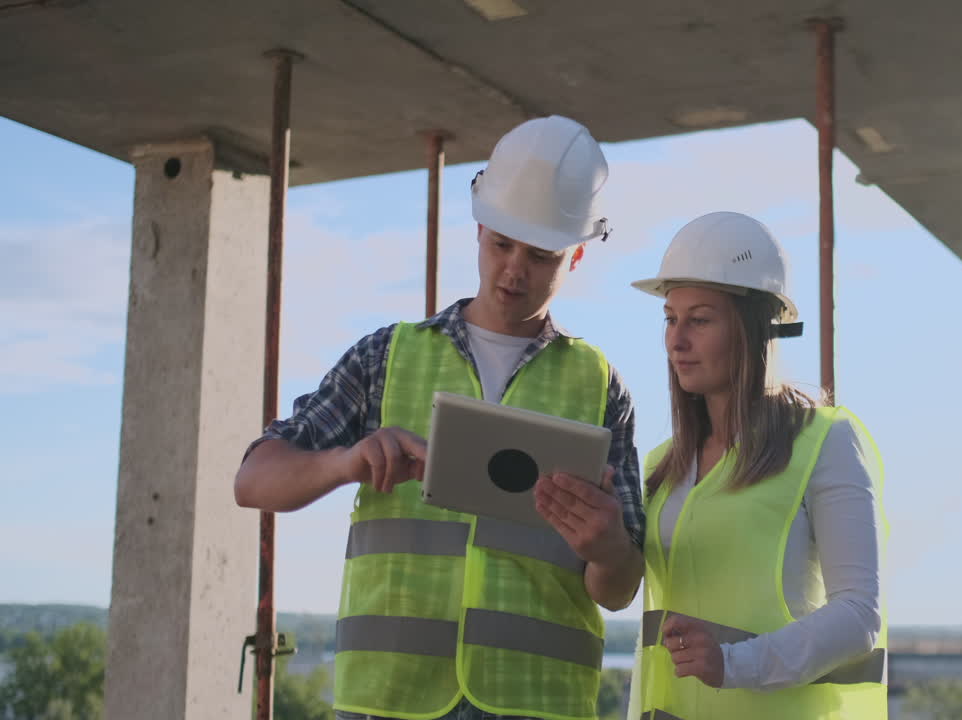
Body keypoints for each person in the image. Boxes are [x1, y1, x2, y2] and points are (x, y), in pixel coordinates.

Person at [234, 115, 645, 720]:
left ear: (577, 256)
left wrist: (608, 549)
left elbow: (621, 586)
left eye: (539, 255)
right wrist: (346, 461)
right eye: (501, 244)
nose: (513, 270)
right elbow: (252, 480)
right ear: (478, 228)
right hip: (391, 699)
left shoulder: (601, 386)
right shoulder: (386, 356)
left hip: (537, 702)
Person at [628, 212, 888, 719]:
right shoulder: (663, 466)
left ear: (755, 329)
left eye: (699, 319)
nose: (676, 341)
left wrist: (734, 664)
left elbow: (859, 614)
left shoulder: (824, 442)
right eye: (670, 318)